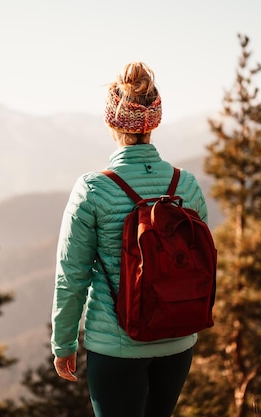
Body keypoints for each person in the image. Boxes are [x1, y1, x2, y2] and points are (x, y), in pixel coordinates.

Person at [51, 61, 209, 417]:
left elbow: (71, 275)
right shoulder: (186, 186)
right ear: (155, 121)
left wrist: (63, 343)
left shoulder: (92, 190)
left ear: (111, 122)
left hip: (116, 344)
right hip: (179, 340)